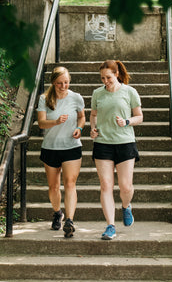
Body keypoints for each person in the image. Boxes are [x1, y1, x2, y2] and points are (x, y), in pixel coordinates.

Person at [90, 60, 143, 240]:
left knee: (125, 187)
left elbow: (139, 117)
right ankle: (110, 225)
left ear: (117, 74)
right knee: (106, 185)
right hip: (103, 143)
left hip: (125, 142)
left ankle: (126, 206)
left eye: (109, 77)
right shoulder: (97, 93)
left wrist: (127, 121)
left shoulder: (130, 92)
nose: (105, 81)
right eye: (103, 78)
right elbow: (93, 114)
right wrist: (93, 128)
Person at [37, 66, 85, 238]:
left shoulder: (76, 98)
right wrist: (56, 121)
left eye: (66, 82)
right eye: (59, 83)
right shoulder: (45, 98)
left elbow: (82, 116)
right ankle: (58, 213)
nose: (63, 86)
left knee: (70, 183)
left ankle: (70, 221)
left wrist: (79, 128)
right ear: (53, 83)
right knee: (53, 186)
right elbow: (41, 123)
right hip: (50, 147)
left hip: (72, 146)